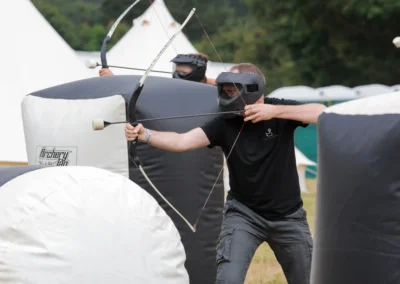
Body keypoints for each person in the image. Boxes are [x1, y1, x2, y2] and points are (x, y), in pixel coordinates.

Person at [125, 63, 326, 284]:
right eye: (226, 90)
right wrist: (145, 134)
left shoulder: (279, 110)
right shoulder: (225, 122)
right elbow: (182, 141)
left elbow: (322, 113)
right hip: (244, 215)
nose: (228, 95)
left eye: (233, 90)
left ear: (253, 88)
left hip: (289, 216)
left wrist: (274, 111)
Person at [99, 52, 216, 85]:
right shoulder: (174, 87)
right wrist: (113, 79)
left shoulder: (216, 89)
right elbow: (144, 88)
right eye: (177, 70)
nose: (179, 74)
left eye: (184, 72)